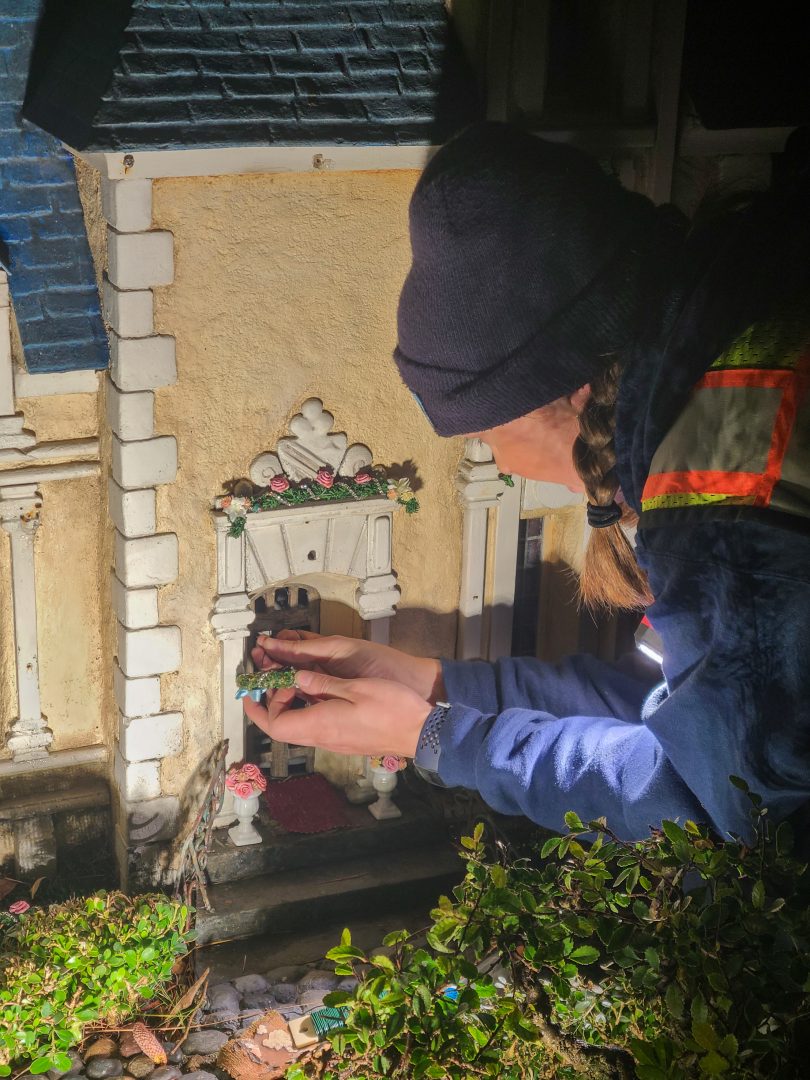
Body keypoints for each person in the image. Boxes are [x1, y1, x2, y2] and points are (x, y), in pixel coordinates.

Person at [244, 122, 810, 843]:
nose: (499, 463)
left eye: (485, 433)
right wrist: (435, 687)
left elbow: (707, 801)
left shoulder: (724, 495)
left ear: (569, 391)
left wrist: (440, 738)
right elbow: (667, 704)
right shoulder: (723, 365)